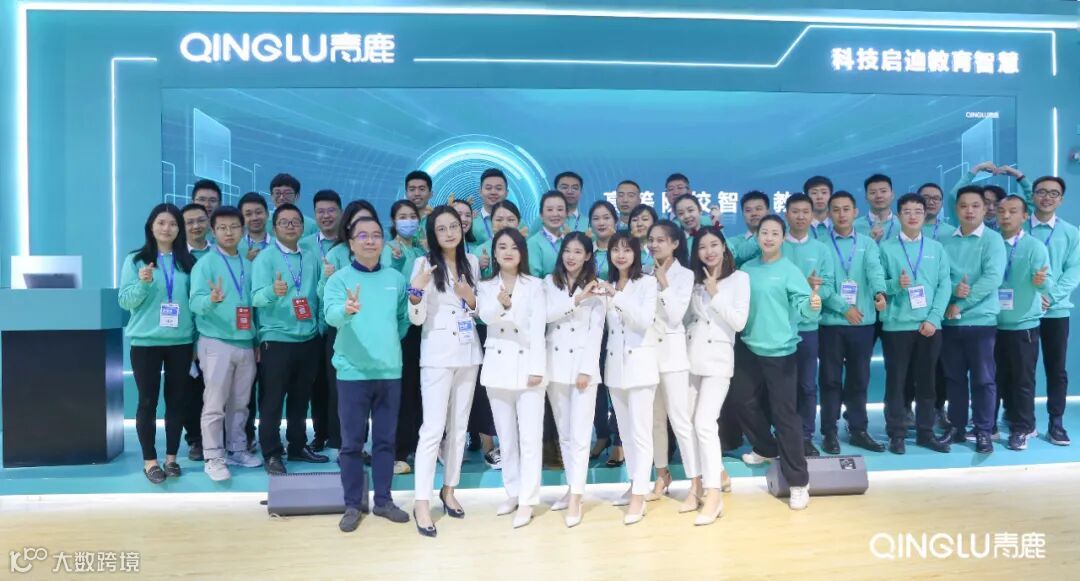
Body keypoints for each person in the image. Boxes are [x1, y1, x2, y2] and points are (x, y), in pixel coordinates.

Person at [325, 216, 412, 532]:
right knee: (351, 443)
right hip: (352, 373)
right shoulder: (339, 280)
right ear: (351, 243)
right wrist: (346, 310)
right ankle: (352, 504)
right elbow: (331, 316)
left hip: (389, 371)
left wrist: (386, 343)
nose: (371, 241)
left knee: (386, 442)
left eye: (376, 235)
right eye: (363, 236)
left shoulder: (395, 279)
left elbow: (403, 320)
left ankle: (384, 501)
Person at [734, 215, 820, 511]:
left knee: (785, 415)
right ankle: (766, 447)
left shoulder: (789, 270)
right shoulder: (747, 269)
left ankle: (798, 482)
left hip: (781, 352)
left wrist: (812, 304)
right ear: (757, 237)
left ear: (783, 238)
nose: (769, 237)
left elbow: (804, 306)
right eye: (764, 233)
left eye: (774, 233)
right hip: (748, 348)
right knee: (743, 402)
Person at [408, 205, 483, 537]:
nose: (450, 233)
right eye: (442, 228)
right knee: (432, 429)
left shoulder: (473, 263)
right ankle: (421, 501)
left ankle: (449, 489)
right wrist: (417, 291)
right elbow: (416, 318)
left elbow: (477, 311)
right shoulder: (423, 264)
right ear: (432, 234)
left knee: (459, 427)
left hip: (468, 353)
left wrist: (471, 298)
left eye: (454, 226)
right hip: (437, 354)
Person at [119, 203, 196, 484]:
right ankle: (150, 461)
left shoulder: (188, 262)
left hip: (181, 341)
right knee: (147, 402)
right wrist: (143, 283)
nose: (167, 228)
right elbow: (125, 301)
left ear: (179, 229)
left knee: (176, 401)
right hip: (146, 342)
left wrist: (196, 341)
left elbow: (194, 304)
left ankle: (172, 458)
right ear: (151, 227)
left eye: (173, 223)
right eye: (161, 223)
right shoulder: (136, 260)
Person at [477, 227, 547, 529]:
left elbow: (538, 327)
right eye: (502, 246)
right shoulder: (485, 285)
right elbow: (485, 317)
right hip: (497, 366)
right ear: (494, 252)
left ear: (522, 253)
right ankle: (512, 492)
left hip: (528, 364)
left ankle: (528, 500)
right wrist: (501, 304)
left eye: (514, 247)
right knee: (506, 439)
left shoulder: (535, 285)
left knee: (530, 439)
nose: (508, 252)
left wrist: (537, 368)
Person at [251, 203, 328, 474]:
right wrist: (273, 291)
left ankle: (297, 446)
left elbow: (318, 294)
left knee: (300, 399)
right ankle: (272, 453)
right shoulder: (265, 259)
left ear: (303, 227)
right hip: (276, 339)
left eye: (296, 221)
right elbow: (256, 298)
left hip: (308, 338)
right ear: (274, 228)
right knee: (272, 401)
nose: (291, 226)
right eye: (284, 222)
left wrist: (319, 327)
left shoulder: (311, 257)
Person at [189, 206, 263, 480]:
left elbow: (254, 308)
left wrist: (256, 340)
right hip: (215, 341)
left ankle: (237, 449)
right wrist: (211, 300)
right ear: (213, 231)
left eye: (234, 227)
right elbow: (194, 303)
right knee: (215, 403)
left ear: (242, 230)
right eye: (222, 228)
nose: (228, 232)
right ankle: (213, 456)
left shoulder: (249, 265)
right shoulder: (205, 264)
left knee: (241, 403)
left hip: (245, 342)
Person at [877, 194, 952, 454]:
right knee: (896, 383)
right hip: (896, 326)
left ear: (925, 215)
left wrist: (934, 318)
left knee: (927, 383)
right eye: (907, 211)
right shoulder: (885, 248)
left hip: (929, 327)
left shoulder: (936, 248)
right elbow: (878, 284)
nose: (913, 216)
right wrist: (895, 285)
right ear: (898, 215)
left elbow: (945, 285)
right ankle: (896, 434)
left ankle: (925, 433)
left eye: (918, 211)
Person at [685, 225, 750, 524]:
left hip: (719, 360)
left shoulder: (740, 279)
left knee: (704, 422)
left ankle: (714, 496)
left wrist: (716, 294)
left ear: (724, 247)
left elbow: (739, 322)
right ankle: (713, 476)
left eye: (714, 245)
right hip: (691, 357)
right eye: (702, 247)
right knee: (689, 422)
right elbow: (689, 319)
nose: (709, 251)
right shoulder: (694, 280)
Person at [543, 232, 606, 528]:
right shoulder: (548, 283)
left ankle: (577, 497)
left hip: (583, 370)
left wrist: (587, 369)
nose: (571, 256)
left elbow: (596, 331)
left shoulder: (598, 287)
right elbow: (545, 316)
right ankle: (571, 488)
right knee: (565, 435)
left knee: (581, 436)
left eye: (578, 252)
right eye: (567, 250)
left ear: (588, 256)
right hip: (555, 367)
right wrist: (576, 300)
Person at [818, 191, 887, 454]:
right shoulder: (821, 244)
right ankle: (829, 431)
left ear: (855, 212)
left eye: (846, 209)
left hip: (862, 323)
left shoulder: (867, 243)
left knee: (859, 379)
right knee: (830, 380)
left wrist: (880, 292)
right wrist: (844, 308)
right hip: (831, 323)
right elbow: (822, 286)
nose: (841, 214)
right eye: (836, 209)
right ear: (829, 214)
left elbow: (875, 271)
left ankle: (858, 429)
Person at [939, 186, 1007, 454]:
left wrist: (960, 303)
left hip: (981, 322)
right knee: (954, 378)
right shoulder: (945, 240)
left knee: (983, 380)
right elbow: (940, 277)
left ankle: (983, 431)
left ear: (985, 208)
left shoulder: (993, 240)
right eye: (963, 206)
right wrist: (952, 295)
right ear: (956, 209)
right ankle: (956, 428)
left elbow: (992, 278)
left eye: (975, 205)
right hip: (950, 322)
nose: (969, 211)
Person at [600, 231, 659, 525]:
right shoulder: (607, 285)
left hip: (641, 367)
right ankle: (635, 483)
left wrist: (617, 297)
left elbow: (643, 321)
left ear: (636, 253)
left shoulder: (647, 283)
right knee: (625, 433)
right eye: (615, 250)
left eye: (626, 249)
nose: (621, 255)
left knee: (640, 433)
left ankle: (639, 494)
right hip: (615, 369)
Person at [643, 221, 698, 508]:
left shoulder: (685, 275)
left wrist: (664, 282)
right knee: (654, 421)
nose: (654, 245)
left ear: (675, 243)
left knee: (680, 420)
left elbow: (676, 316)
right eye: (651, 240)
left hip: (674, 356)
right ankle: (662, 475)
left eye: (661, 240)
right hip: (647, 355)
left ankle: (696, 483)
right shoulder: (643, 272)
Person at [995, 195, 1052, 451]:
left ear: (1025, 216)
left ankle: (1024, 428)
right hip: (993, 323)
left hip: (1023, 326)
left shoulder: (1034, 247)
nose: (1006, 216)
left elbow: (1047, 284)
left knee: (1022, 380)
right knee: (995, 379)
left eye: (1013, 211)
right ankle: (990, 424)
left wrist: (1042, 283)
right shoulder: (991, 242)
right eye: (1001, 211)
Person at [1023, 175, 1077, 446]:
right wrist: (1034, 298)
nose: (1047, 197)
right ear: (1033, 195)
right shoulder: (1019, 228)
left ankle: (1056, 423)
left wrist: (1050, 297)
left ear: (1061, 199)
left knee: (1056, 370)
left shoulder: (1071, 232)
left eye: (1053, 193)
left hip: (1056, 312)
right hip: (1023, 312)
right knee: (1024, 369)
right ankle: (1026, 422)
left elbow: (1074, 271)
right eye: (1041, 192)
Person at [782, 193, 836, 456]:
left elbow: (828, 288)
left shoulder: (821, 249)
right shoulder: (776, 246)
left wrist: (813, 290)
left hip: (808, 328)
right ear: (786, 214)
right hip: (780, 329)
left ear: (813, 215)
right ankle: (783, 434)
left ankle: (805, 435)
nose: (800, 217)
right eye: (795, 211)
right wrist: (803, 285)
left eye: (806, 212)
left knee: (806, 385)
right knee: (782, 387)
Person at [386, 199, 427, 474]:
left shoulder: (423, 250)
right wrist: (396, 262)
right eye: (403, 216)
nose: (408, 221)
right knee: (402, 391)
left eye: (413, 216)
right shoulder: (388, 250)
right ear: (393, 221)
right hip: (400, 328)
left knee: (421, 391)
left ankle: (420, 446)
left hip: (424, 326)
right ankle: (398, 450)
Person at [301, 189, 342, 452]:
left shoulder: (349, 244)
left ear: (340, 212)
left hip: (339, 324)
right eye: (320, 211)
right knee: (316, 384)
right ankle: (319, 433)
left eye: (331, 210)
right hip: (311, 325)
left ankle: (339, 435)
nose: (326, 216)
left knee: (338, 384)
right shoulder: (304, 244)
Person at [180, 202, 211, 460]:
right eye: (189, 222)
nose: (196, 226)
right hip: (184, 334)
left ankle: (225, 439)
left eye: (200, 220)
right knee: (191, 391)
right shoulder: (175, 257)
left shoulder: (221, 253)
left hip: (217, 333)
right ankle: (196, 440)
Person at [527, 190, 568, 279]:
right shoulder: (533, 243)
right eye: (549, 210)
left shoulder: (569, 241)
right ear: (541, 215)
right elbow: (533, 280)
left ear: (566, 213)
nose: (555, 214)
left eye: (560, 209)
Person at [855, 174, 899, 243]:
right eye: (873, 192)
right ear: (866, 197)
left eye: (883, 191)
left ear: (892, 195)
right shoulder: (854, 227)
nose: (879, 196)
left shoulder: (903, 225)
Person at [471, 168, 510, 245]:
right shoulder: (471, 222)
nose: (493, 192)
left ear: (506, 193)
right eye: (488, 188)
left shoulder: (517, 222)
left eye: (498, 188)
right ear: (480, 192)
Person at [732, 191, 768, 266]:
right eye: (748, 210)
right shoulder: (734, 243)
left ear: (767, 211)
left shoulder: (779, 241)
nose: (754, 213)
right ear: (742, 214)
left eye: (758, 209)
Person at [239, 192, 274, 262]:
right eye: (248, 214)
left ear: (267, 214)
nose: (254, 218)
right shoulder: (235, 247)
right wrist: (247, 261)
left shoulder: (280, 245)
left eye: (258, 212)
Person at [589, 201, 618, 280]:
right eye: (596, 219)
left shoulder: (623, 251)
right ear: (590, 224)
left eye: (606, 218)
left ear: (615, 221)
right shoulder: (586, 250)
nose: (601, 223)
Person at [628, 203, 659, 273]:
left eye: (645, 219)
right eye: (635, 220)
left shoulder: (661, 248)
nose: (639, 224)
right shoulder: (625, 250)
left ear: (655, 223)